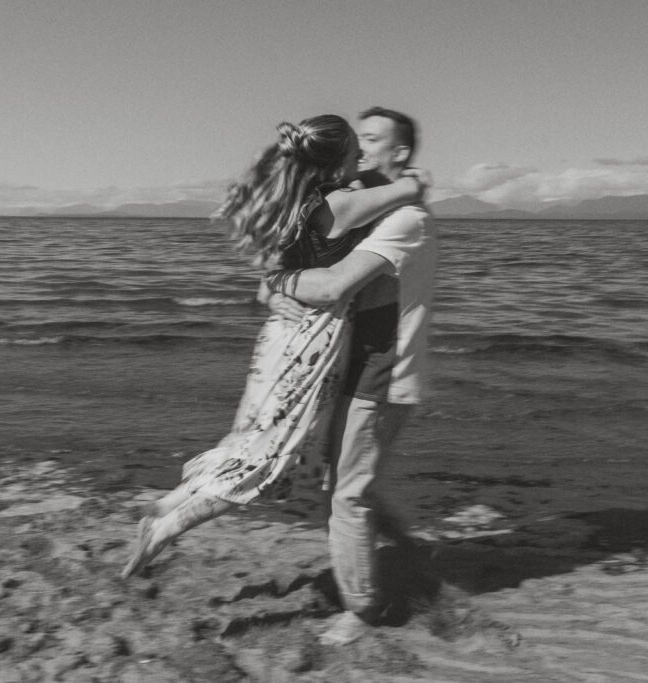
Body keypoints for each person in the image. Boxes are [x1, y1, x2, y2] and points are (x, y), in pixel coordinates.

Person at [121, 114, 429, 578]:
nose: (361, 157)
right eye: (355, 150)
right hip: (310, 341)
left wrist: (272, 285)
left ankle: (165, 504)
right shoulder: (339, 205)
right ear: (335, 164)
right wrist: (414, 181)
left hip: (277, 339)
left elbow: (275, 271)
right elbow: (406, 194)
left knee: (248, 440)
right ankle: (166, 527)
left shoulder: (296, 202)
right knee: (271, 458)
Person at [264, 107, 437, 645]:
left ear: (400, 153)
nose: (359, 150)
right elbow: (292, 260)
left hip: (383, 375)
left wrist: (280, 284)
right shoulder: (370, 209)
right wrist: (273, 284)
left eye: (371, 139)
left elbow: (335, 285)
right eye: (356, 140)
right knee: (343, 483)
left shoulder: (406, 220)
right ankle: (412, 548)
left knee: (347, 494)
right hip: (355, 368)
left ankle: (363, 609)